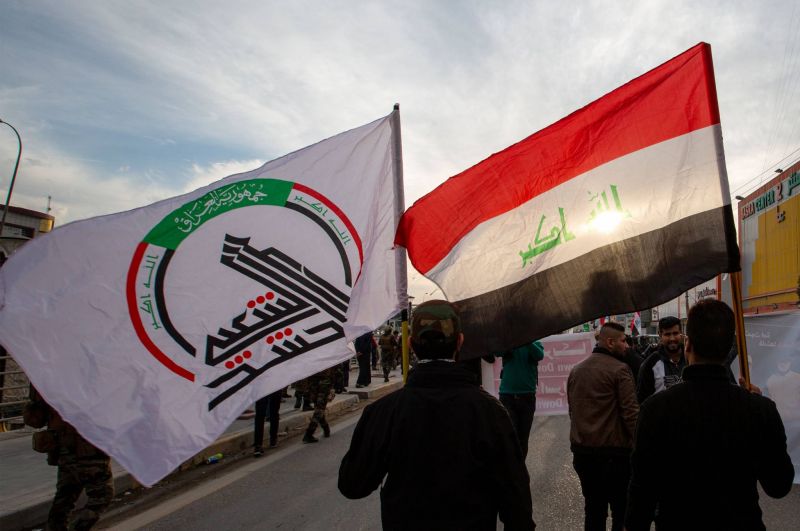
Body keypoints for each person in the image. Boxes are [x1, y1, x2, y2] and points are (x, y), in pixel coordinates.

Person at [338, 300, 535, 530]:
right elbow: (517, 504)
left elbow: (352, 485)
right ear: (460, 342)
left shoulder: (385, 412)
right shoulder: (490, 412)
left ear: (410, 344)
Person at [626, 299, 794, 530]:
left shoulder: (655, 409)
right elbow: (779, 485)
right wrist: (762, 414)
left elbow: (642, 491)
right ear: (727, 349)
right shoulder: (759, 409)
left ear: (688, 344)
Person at [567, 322, 638, 531]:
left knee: (594, 510)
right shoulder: (620, 370)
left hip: (583, 454)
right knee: (621, 511)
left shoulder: (576, 371)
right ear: (610, 342)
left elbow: (573, 411)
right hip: (614, 456)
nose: (627, 346)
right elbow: (631, 415)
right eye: (623, 341)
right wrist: (640, 447)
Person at [23, 386, 114, 530]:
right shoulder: (93, 379)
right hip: (90, 450)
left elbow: (35, 420)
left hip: (66, 450)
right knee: (101, 497)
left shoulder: (47, 381)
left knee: (64, 498)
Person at [496, 340, 544, 458]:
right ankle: (511, 466)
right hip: (507, 396)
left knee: (523, 438)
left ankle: (520, 467)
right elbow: (497, 352)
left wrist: (527, 342)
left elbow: (539, 355)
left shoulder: (535, 341)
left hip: (527, 397)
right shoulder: (508, 339)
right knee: (510, 437)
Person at [637, 316, 686, 403]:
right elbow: (642, 400)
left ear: (681, 333)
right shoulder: (650, 363)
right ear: (660, 335)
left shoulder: (691, 358)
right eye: (667, 334)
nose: (672, 338)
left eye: (675, 333)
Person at [302, 365, 338, 443]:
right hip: (323, 386)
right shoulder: (329, 361)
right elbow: (336, 371)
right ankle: (309, 434)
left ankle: (326, 429)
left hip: (314, 386)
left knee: (319, 408)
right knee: (319, 410)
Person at [253, 388, 283, 456]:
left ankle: (258, 445)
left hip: (262, 386)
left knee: (260, 414)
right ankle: (273, 440)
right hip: (275, 385)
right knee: (274, 412)